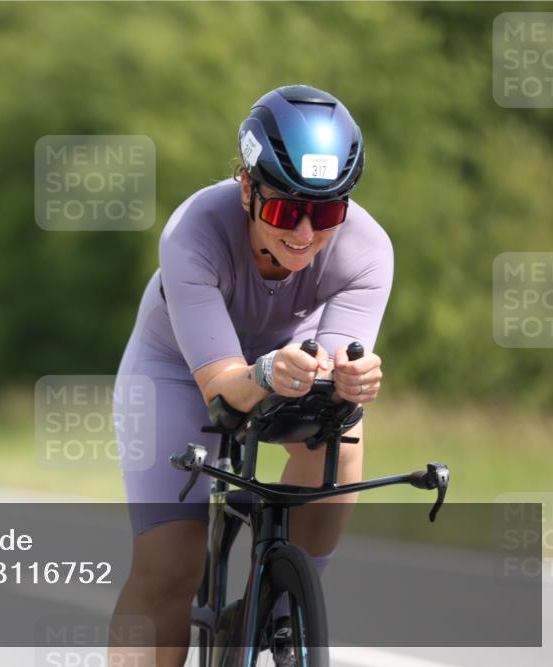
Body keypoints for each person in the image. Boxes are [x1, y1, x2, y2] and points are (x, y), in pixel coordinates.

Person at [110, 84, 392, 667]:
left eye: (328, 212)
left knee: (344, 433)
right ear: (246, 187)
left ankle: (285, 612)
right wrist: (264, 371)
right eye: (287, 209)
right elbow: (224, 390)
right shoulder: (193, 231)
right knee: (169, 569)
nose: (305, 234)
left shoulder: (368, 250)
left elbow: (332, 381)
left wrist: (353, 382)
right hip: (178, 375)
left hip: (285, 361)